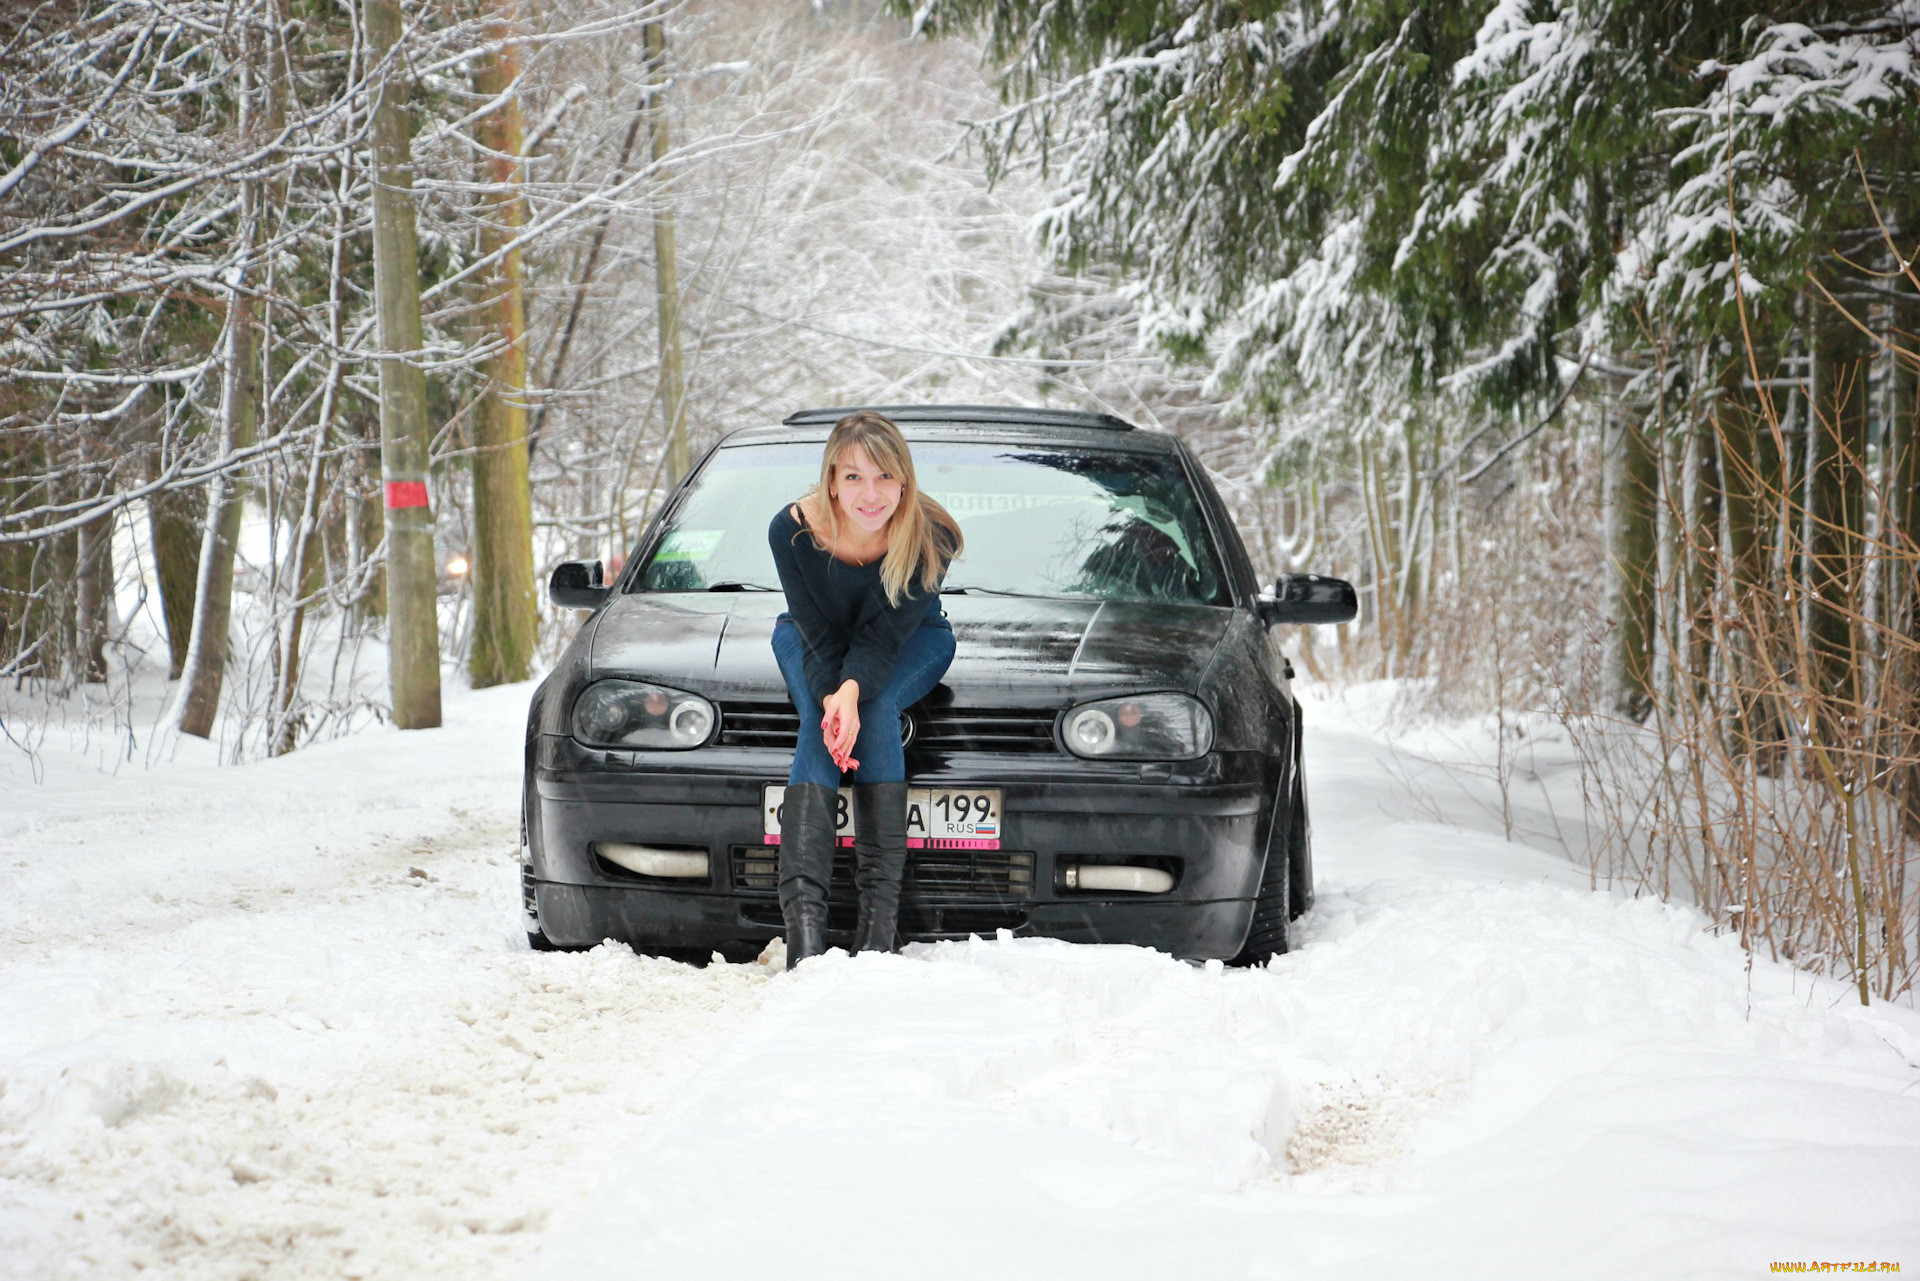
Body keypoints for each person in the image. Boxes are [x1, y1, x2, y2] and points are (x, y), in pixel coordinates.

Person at [768, 411, 963, 969]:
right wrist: (834, 696)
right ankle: (805, 934)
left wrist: (850, 693)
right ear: (831, 480)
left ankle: (877, 929)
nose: (869, 493)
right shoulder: (792, 530)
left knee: (872, 708)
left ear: (904, 480)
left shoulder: (932, 535)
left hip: (912, 640)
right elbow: (814, 624)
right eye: (853, 477)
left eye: (883, 477)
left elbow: (883, 639)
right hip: (811, 637)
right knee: (821, 716)